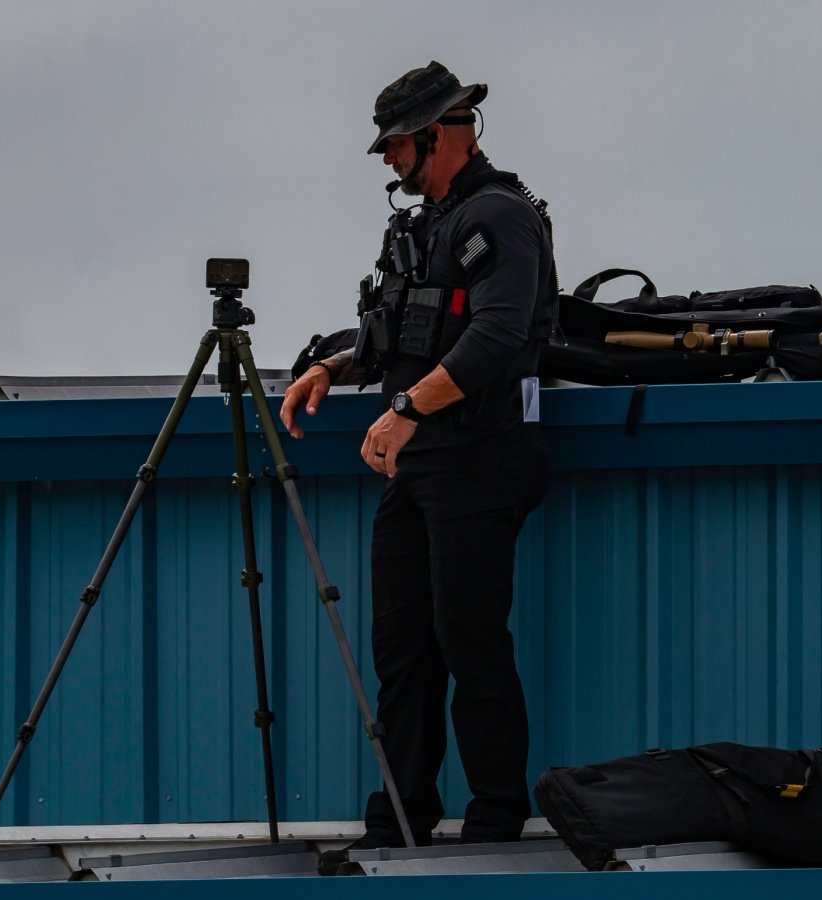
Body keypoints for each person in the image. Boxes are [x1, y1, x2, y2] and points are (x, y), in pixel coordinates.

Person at [280, 61, 556, 875]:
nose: (390, 161)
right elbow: (397, 331)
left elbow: (498, 336)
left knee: (469, 640)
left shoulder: (502, 216)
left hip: (480, 456)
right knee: (401, 646)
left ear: (442, 132)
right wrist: (333, 365)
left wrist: (403, 412)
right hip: (419, 466)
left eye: (398, 144)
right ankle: (400, 818)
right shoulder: (423, 225)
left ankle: (495, 823)